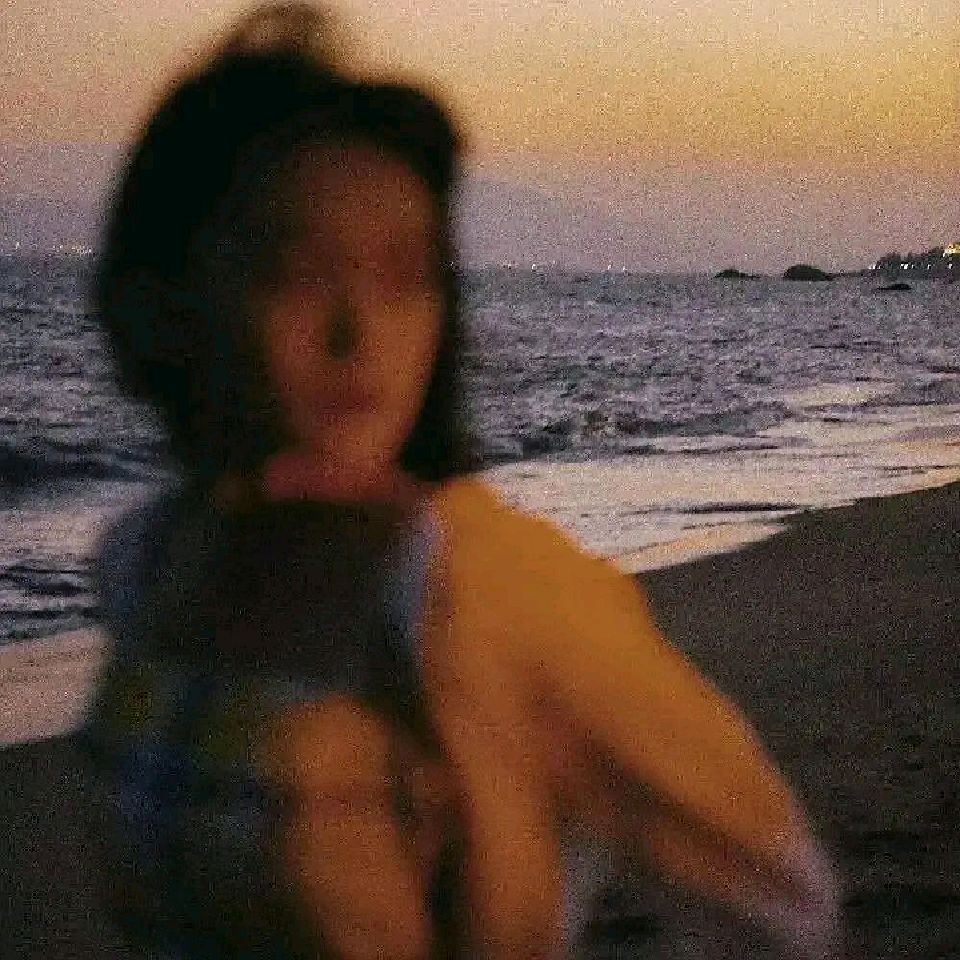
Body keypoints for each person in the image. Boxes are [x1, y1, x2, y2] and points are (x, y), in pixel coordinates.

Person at [85, 4, 841, 959]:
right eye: (302, 273)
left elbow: (777, 896)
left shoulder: (475, 589)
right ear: (162, 297)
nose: (363, 334)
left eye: (406, 279)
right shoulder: (148, 554)